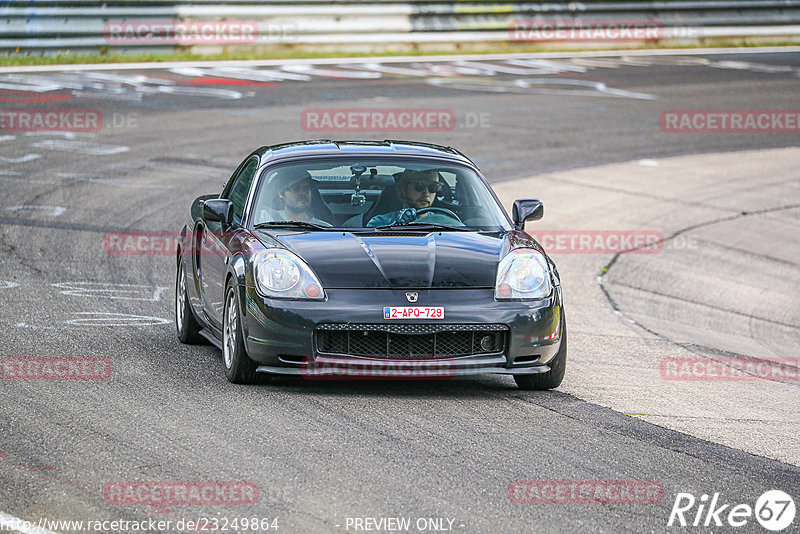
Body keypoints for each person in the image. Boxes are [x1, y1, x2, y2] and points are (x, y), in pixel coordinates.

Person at [367, 169, 443, 227]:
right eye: (419, 186)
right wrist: (396, 225)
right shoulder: (381, 222)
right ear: (403, 188)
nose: (426, 193)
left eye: (433, 188)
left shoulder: (443, 222)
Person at [257, 170, 331, 226]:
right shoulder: (265, 220)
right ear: (281, 193)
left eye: (306, 189)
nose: (303, 193)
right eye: (296, 188)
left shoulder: (324, 227)